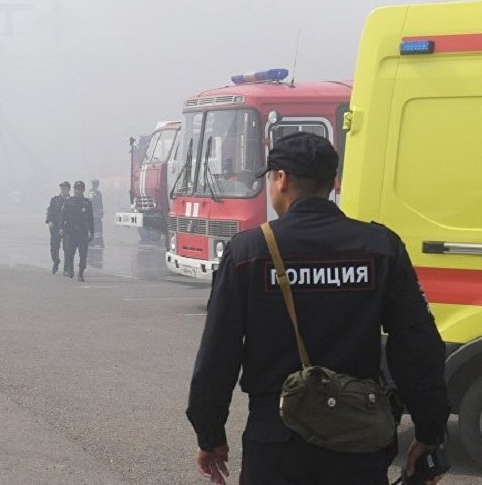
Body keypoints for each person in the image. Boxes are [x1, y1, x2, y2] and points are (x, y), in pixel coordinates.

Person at [186, 132, 450, 485]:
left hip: (276, 443)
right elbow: (417, 346)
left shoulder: (249, 253)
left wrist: (210, 436)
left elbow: (218, 356)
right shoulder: (380, 247)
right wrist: (429, 430)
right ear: (333, 182)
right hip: (359, 441)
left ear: (280, 179)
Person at [60, 180, 95, 281]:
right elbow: (63, 216)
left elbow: (90, 219)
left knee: (83, 254)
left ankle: (81, 273)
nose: (78, 191)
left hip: (82, 232)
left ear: (83, 190)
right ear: (74, 189)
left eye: (80, 189)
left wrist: (92, 232)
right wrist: (61, 228)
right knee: (69, 253)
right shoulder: (68, 202)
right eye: (76, 189)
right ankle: (70, 269)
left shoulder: (87, 203)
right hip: (70, 231)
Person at [45, 181, 71, 274]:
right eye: (62, 188)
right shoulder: (55, 200)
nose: (63, 190)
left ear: (69, 189)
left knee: (67, 248)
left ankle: (66, 268)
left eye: (65, 188)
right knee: (54, 248)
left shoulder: (72, 201)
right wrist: (49, 221)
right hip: (55, 227)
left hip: (67, 228)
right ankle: (56, 262)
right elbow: (50, 211)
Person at [89, 178, 105, 248]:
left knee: (99, 229)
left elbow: (100, 204)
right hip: (93, 215)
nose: (96, 186)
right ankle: (92, 242)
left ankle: (99, 242)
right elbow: (90, 202)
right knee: (94, 229)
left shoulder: (98, 193)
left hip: (98, 215)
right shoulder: (91, 193)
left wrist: (101, 213)